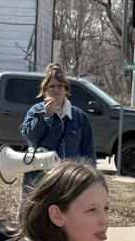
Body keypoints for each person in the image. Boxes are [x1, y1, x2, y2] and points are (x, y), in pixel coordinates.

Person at [20, 63, 96, 196]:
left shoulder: (78, 117)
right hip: (40, 179)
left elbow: (88, 152)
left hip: (69, 181)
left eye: (60, 85)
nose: (56, 89)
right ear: (45, 90)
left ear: (66, 89)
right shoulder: (36, 111)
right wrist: (45, 117)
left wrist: (90, 181)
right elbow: (29, 135)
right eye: (52, 86)